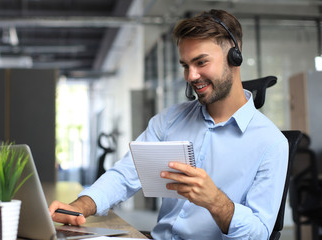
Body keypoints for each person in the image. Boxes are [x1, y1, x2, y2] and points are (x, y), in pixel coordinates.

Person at [49, 9, 288, 239]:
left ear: (234, 58)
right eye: (186, 65)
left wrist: (216, 201)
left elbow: (258, 234)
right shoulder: (170, 120)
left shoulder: (271, 143)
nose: (191, 76)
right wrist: (80, 206)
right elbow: (125, 174)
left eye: (201, 62)